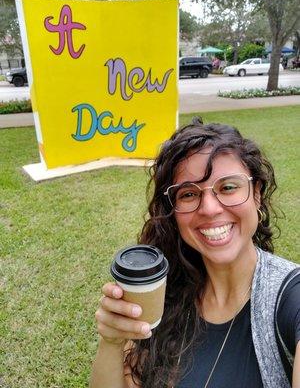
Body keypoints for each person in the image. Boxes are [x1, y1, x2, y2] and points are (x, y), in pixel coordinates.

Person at [90, 118, 300, 388]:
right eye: (189, 194)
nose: (210, 209)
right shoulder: (164, 291)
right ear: (173, 211)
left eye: (228, 187)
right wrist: (111, 342)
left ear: (256, 194)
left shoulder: (290, 298)